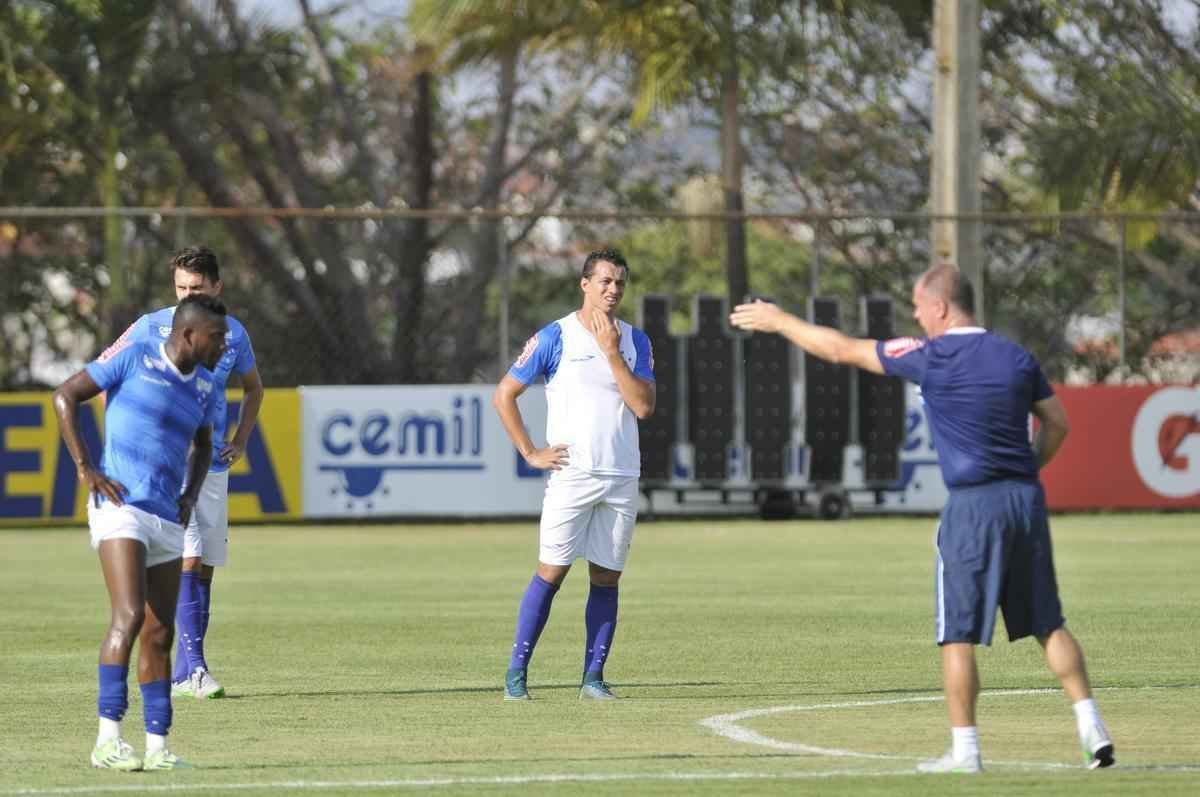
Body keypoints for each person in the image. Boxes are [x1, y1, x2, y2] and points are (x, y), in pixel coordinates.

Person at [729, 263, 1115, 773]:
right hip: (1025, 499)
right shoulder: (1016, 356)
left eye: (917, 305)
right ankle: (1092, 728)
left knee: (956, 632)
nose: (914, 314)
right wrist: (1026, 469)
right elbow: (1058, 425)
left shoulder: (932, 355)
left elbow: (841, 349)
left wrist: (780, 321)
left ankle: (965, 752)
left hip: (973, 506)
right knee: (1049, 623)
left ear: (940, 306)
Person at [54, 293, 229, 771]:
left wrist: (190, 496)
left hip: (165, 517)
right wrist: (86, 466)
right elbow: (65, 395)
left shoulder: (208, 387)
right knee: (129, 615)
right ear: (189, 334)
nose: (222, 346)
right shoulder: (134, 359)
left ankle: (157, 748)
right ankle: (107, 740)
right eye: (217, 338)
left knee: (160, 633)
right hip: (120, 508)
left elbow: (204, 444)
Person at [494, 247, 656, 701]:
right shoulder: (554, 336)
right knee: (551, 572)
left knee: (607, 578)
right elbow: (504, 394)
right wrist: (530, 451)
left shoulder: (634, 340)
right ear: (585, 285)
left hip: (621, 474)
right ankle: (516, 676)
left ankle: (593, 678)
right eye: (605, 281)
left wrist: (611, 353)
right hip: (573, 475)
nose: (613, 290)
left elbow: (643, 406)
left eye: (620, 282)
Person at [108, 246, 264, 700]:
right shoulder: (148, 327)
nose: (186, 296)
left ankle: (182, 671)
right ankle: (196, 669)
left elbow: (253, 389)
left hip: (211, 464)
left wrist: (241, 438)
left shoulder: (234, 334)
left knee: (207, 566)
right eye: (180, 288)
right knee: (189, 557)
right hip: (166, 464)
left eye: (195, 288)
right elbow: (103, 375)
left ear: (216, 286)